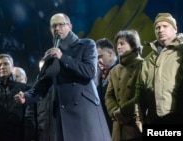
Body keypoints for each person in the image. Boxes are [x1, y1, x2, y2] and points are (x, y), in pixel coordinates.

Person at [15, 13, 111, 141]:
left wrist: (63, 57)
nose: (57, 28)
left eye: (61, 24)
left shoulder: (86, 44)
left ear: (70, 26)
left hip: (84, 112)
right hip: (63, 113)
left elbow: (89, 72)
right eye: (53, 26)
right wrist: (26, 97)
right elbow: (42, 83)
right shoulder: (52, 54)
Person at [135, 13, 183, 125]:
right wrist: (138, 119)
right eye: (157, 27)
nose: (160, 30)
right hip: (154, 122)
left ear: (175, 29)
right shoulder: (147, 60)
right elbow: (139, 92)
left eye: (165, 26)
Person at [105, 30, 143, 141]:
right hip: (118, 126)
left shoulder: (143, 65)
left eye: (122, 43)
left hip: (136, 125)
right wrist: (116, 112)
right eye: (117, 44)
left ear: (133, 45)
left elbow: (143, 94)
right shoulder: (114, 71)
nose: (118, 47)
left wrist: (124, 112)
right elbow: (109, 95)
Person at [96, 38, 119, 134]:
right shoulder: (99, 74)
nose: (98, 61)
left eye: (100, 56)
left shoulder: (123, 68)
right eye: (96, 58)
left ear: (110, 53)